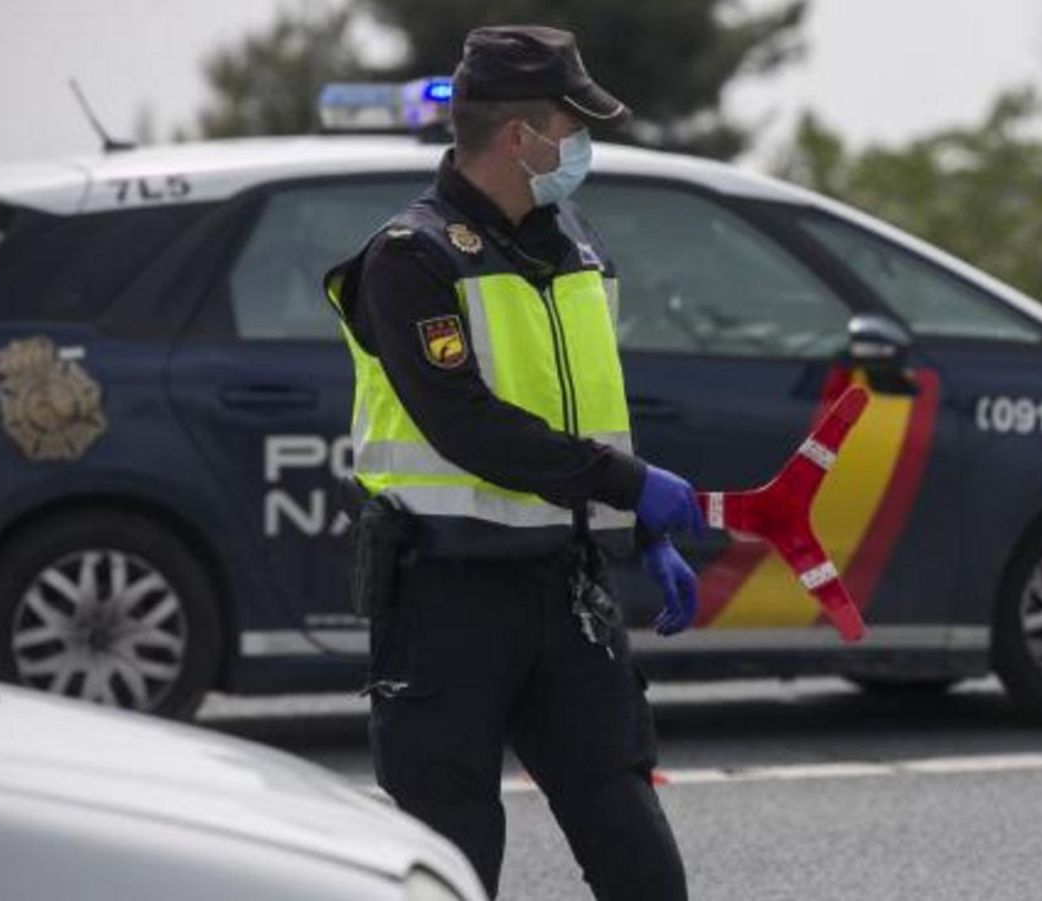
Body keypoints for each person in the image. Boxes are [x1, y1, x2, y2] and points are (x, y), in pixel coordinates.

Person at [322, 25, 700, 900]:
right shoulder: (410, 258)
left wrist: (637, 528)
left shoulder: (574, 243)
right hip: (446, 598)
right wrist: (631, 485)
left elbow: (589, 411)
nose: (583, 146)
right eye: (573, 127)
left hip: (565, 588)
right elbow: (468, 426)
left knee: (637, 850)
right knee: (451, 863)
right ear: (521, 136)